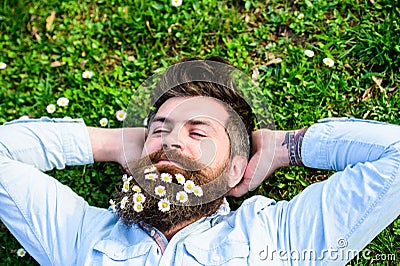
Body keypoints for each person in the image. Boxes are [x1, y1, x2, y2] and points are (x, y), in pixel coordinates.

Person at [0, 58, 399, 265]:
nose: (170, 142)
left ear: (237, 168)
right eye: (159, 130)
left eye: (198, 132)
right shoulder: (83, 237)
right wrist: (111, 143)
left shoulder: (281, 238)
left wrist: (286, 148)